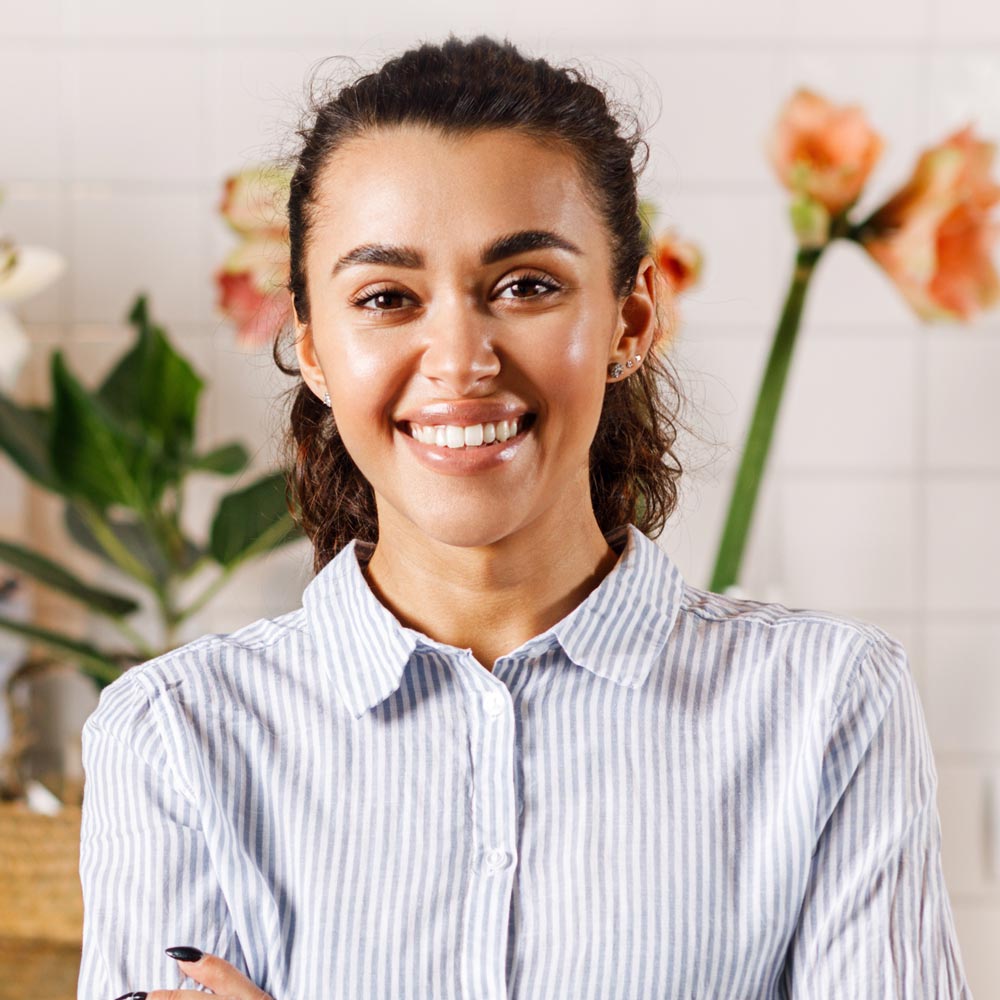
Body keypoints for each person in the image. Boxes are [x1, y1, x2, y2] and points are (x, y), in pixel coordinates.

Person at [77, 34, 971, 1000]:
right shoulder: (175, 737)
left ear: (631, 321)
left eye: (526, 286)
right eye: (386, 297)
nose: (460, 360)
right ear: (315, 351)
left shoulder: (827, 708)